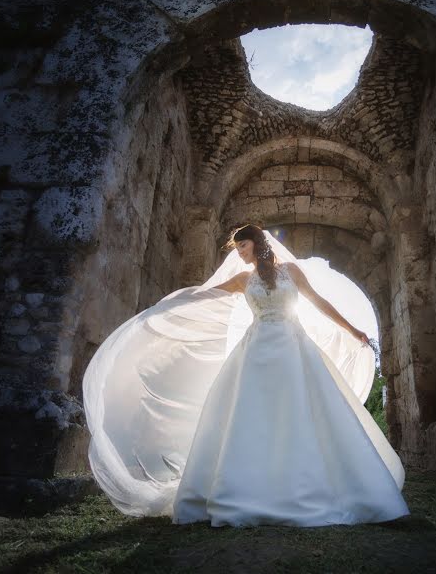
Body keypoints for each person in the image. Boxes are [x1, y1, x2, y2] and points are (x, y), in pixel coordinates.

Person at [83, 224, 410, 527]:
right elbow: (207, 295)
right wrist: (167, 308)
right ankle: (244, 488)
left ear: (258, 243)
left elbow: (318, 302)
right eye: (237, 248)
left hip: (295, 349)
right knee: (249, 417)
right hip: (255, 352)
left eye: (243, 245)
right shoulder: (242, 280)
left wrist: (353, 329)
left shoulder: (291, 272)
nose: (239, 252)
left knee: (302, 412)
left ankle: (312, 485)